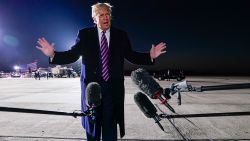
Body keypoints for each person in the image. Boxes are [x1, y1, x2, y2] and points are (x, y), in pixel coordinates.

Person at [36, 2, 166, 141]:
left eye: (108, 14)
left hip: (112, 89)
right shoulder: (85, 34)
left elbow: (131, 55)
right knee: (93, 127)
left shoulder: (120, 35)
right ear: (94, 18)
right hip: (92, 90)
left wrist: (149, 56)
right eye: (101, 15)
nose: (106, 17)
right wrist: (53, 54)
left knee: (110, 127)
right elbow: (72, 55)